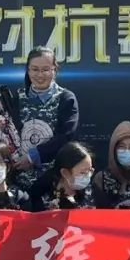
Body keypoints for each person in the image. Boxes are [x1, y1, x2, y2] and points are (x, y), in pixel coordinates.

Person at [12, 47, 79, 191]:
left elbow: (65, 136)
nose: (40, 75)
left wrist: (33, 157)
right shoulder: (18, 97)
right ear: (28, 70)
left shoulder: (66, 98)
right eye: (35, 69)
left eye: (45, 70)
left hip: (53, 179)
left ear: (55, 70)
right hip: (20, 179)